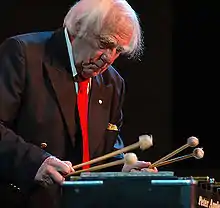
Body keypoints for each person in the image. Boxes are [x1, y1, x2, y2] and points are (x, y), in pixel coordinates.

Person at [0, 0, 157, 207]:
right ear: (78, 27)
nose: (109, 58)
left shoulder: (113, 82)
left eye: (118, 50)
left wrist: (122, 171)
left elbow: (105, 152)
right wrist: (33, 162)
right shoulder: (22, 53)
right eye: (104, 44)